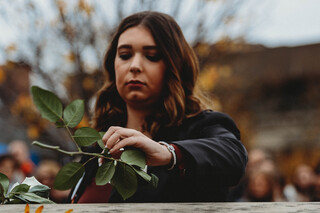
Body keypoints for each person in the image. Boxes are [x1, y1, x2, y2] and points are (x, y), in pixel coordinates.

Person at [70, 11, 247, 203]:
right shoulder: (98, 146)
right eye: (125, 55)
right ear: (113, 65)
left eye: (152, 56)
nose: (135, 66)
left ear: (173, 65)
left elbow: (233, 157)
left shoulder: (203, 127)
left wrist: (168, 153)